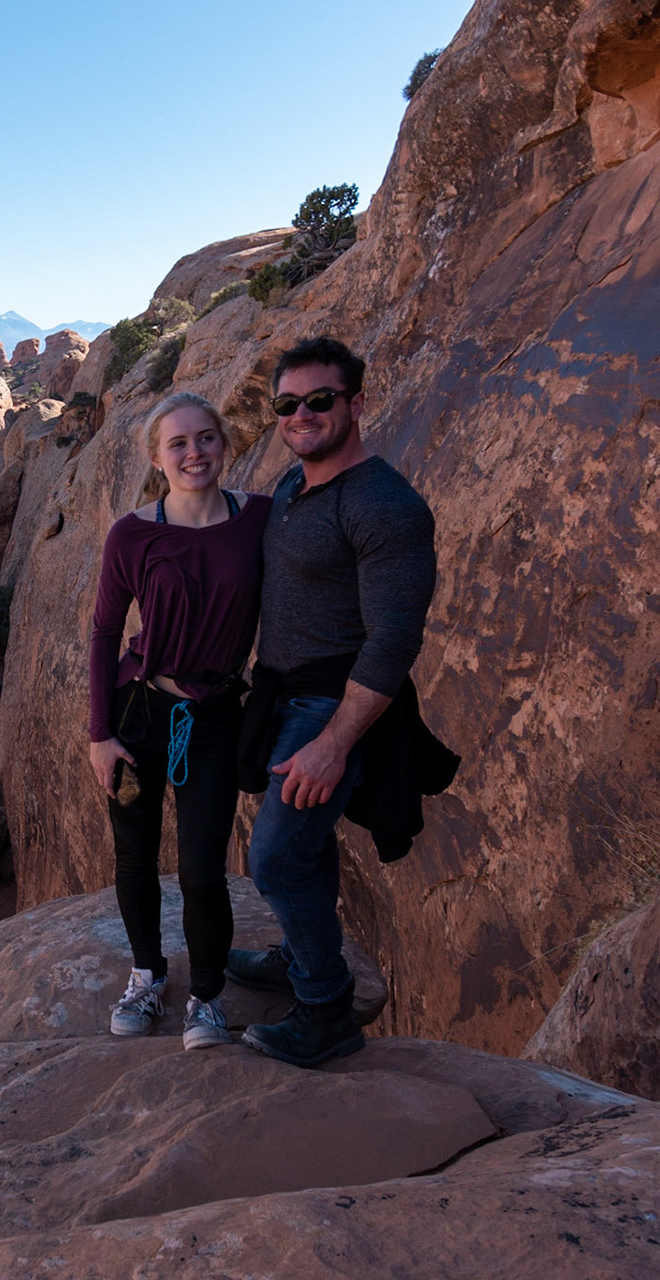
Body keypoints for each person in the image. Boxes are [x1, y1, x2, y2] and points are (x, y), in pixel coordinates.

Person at [226, 335, 438, 1068]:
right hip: (283, 697)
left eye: (320, 400)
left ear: (355, 402)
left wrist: (335, 742)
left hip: (330, 709)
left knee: (278, 856)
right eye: (288, 405)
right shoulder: (292, 487)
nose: (302, 415)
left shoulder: (384, 504)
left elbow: (393, 640)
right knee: (304, 847)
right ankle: (298, 953)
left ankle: (324, 1009)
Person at [87, 390, 270, 1049]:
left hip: (214, 717)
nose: (195, 453)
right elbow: (105, 634)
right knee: (135, 854)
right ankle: (146, 976)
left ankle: (207, 997)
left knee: (201, 868)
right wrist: (99, 735)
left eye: (206, 438)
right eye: (179, 443)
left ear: (224, 443)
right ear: (156, 457)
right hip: (140, 714)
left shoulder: (259, 520)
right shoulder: (134, 534)